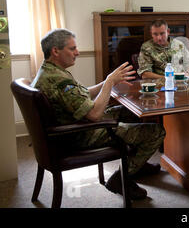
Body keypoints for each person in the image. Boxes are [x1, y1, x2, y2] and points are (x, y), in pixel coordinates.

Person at [31, 29, 166, 200]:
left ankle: (137, 164)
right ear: (55, 51)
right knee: (156, 132)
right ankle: (121, 178)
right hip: (79, 135)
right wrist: (109, 83)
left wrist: (107, 81)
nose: (77, 52)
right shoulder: (59, 81)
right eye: (72, 49)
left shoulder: (50, 72)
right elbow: (94, 114)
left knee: (131, 112)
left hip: (71, 126)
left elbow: (81, 94)